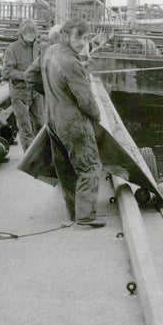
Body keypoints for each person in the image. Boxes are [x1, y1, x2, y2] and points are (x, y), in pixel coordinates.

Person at [27, 17, 104, 227]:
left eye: (86, 38)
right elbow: (86, 100)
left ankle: (73, 212)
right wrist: (97, 118)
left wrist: (54, 94)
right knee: (90, 167)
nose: (82, 42)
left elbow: (30, 76)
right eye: (78, 37)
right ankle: (86, 216)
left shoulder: (49, 52)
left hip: (52, 121)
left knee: (67, 169)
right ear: (66, 36)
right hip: (73, 124)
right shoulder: (72, 62)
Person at [3, 19, 44, 151]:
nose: (31, 37)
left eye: (34, 34)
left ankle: (43, 154)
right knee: (25, 127)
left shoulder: (37, 47)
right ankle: (29, 157)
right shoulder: (12, 49)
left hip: (35, 92)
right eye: (29, 34)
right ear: (22, 33)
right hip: (20, 94)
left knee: (41, 124)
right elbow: (7, 72)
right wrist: (25, 76)